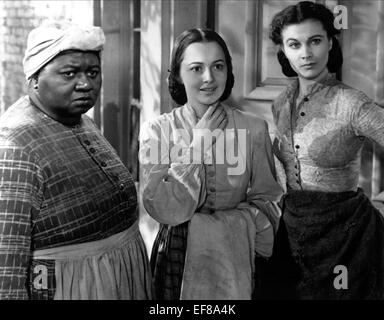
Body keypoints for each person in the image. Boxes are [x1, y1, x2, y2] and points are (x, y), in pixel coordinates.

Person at [0, 21, 152, 300]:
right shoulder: (15, 146)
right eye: (69, 73)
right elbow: (6, 267)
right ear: (34, 78)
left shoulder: (83, 123)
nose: (85, 84)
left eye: (93, 73)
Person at [140, 28, 283, 300]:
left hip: (236, 255)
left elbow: (269, 200)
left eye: (218, 66)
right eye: (196, 68)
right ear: (178, 75)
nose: (208, 78)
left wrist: (236, 226)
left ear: (228, 71)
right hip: (177, 258)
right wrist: (197, 149)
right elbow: (163, 210)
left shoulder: (253, 128)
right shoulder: (157, 130)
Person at [266, 1, 384, 299]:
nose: (305, 53)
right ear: (284, 50)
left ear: (330, 42)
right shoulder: (280, 103)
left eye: (315, 41)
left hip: (348, 239)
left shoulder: (352, 104)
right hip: (292, 234)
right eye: (294, 44)